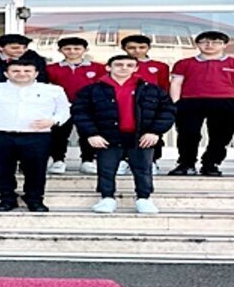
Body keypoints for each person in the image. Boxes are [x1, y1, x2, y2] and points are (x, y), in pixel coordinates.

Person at [71, 55, 176, 214]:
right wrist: (92, 134)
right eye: (119, 64)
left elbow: (167, 110)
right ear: (108, 67)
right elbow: (80, 112)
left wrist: (155, 132)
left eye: (129, 65)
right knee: (106, 169)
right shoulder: (92, 90)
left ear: (136, 68)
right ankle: (107, 198)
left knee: (143, 169)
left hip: (141, 137)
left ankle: (144, 199)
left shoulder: (151, 90)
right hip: (107, 136)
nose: (124, 68)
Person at [0, 60, 70, 212]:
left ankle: (35, 199)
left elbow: (64, 110)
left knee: (36, 170)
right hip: (0, 135)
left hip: (37, 136)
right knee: (1, 169)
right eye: (16, 71)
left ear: (36, 73)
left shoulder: (53, 90)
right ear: (6, 73)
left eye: (27, 71)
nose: (22, 74)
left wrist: (53, 121)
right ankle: (7, 198)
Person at [169, 31, 234, 177]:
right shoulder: (184, 63)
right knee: (188, 134)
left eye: (216, 42)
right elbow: (176, 84)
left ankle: (211, 164)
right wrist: (177, 103)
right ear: (197, 44)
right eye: (205, 42)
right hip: (190, 101)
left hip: (225, 102)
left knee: (220, 136)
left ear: (225, 45)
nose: (209, 45)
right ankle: (186, 164)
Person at [45, 37, 106, 175]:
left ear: (85, 50)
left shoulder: (98, 68)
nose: (72, 51)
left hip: (88, 106)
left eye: (77, 48)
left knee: (88, 133)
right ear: (60, 50)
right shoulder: (51, 69)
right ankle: (58, 161)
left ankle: (88, 161)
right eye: (67, 49)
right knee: (59, 134)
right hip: (61, 106)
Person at [121, 34, 171, 174]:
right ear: (124, 48)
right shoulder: (119, 64)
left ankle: (151, 161)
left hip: (151, 105)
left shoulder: (160, 66)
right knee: (124, 132)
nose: (137, 50)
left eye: (141, 47)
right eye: (132, 47)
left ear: (148, 48)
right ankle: (124, 160)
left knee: (151, 132)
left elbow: (164, 86)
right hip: (125, 103)